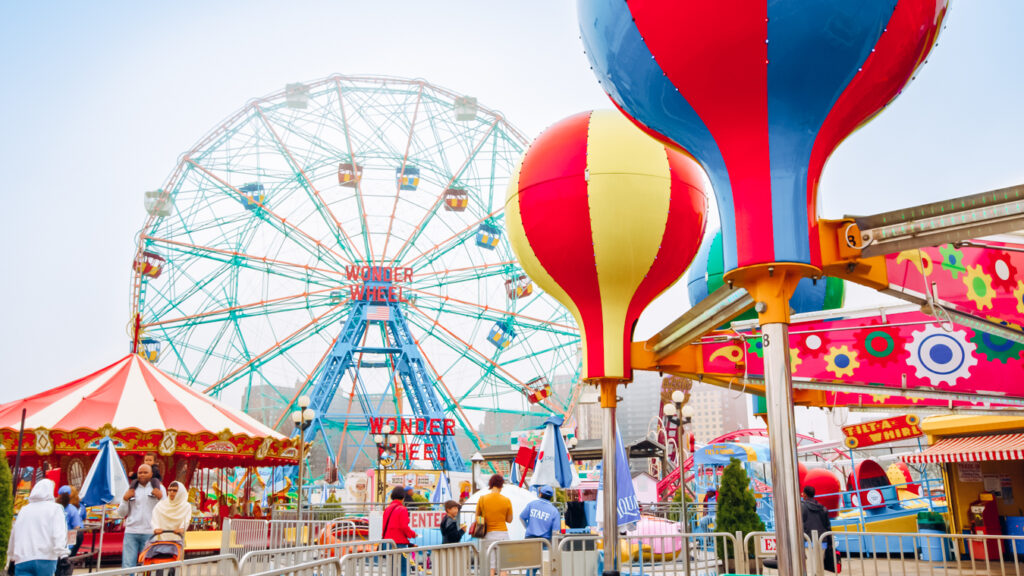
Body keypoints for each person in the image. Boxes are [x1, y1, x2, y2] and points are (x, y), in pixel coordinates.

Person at [7, 479, 68, 576]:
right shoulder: (55, 508)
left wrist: (11, 558)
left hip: (22, 559)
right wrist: (63, 555)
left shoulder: (24, 510)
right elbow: (59, 534)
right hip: (46, 558)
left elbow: (14, 535)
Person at [117, 464, 164, 569]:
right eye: (140, 472)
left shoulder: (160, 488)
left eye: (145, 472)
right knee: (128, 565)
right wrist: (125, 500)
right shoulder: (130, 489)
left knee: (148, 565)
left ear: (152, 474)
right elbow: (121, 513)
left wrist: (161, 498)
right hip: (131, 532)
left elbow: (166, 509)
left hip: (150, 532)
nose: (142, 475)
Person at [477, 474, 513, 576]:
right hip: (502, 535)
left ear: (491, 484)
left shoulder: (482, 499)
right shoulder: (506, 500)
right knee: (503, 567)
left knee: (491, 567)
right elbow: (509, 520)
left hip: (487, 535)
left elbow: (477, 516)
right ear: (501, 485)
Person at [382, 487, 417, 576]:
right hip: (399, 542)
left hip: (387, 542)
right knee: (404, 568)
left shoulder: (387, 509)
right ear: (403, 497)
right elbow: (404, 527)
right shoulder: (402, 509)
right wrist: (413, 534)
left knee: (392, 569)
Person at [801, 486, 837, 573]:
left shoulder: (802, 507)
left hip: (808, 541)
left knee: (810, 567)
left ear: (805, 494)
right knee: (819, 567)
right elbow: (828, 526)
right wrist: (830, 543)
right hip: (822, 540)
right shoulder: (822, 508)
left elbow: (801, 524)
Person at [151, 481, 192, 546]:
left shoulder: (186, 506)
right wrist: (156, 528)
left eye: (175, 490)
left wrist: (182, 529)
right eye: (169, 490)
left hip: (178, 540)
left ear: (180, 492)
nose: (171, 492)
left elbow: (186, 520)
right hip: (161, 540)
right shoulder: (160, 505)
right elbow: (154, 518)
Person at [56, 486, 83, 557]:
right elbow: (77, 527)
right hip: (67, 542)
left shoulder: (55, 507)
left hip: (56, 540)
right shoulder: (72, 509)